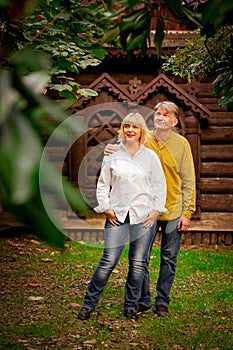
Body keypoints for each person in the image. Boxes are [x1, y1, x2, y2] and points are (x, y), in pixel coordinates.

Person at [104, 101, 196, 317]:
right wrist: (111, 148)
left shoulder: (182, 144)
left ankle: (162, 301)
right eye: (157, 113)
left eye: (166, 114)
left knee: (169, 257)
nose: (160, 117)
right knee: (140, 258)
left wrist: (187, 212)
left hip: (173, 209)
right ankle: (143, 300)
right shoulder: (144, 140)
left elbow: (188, 180)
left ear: (174, 121)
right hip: (146, 209)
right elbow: (124, 148)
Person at [78, 112, 167, 321]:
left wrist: (156, 210)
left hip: (143, 216)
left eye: (134, 127)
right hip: (117, 214)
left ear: (141, 131)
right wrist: (106, 207)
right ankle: (88, 305)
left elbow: (159, 185)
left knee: (137, 263)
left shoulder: (150, 156)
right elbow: (103, 184)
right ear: (122, 129)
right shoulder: (112, 154)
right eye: (127, 126)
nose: (130, 130)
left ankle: (130, 306)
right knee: (108, 260)